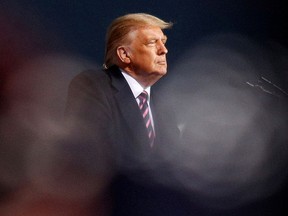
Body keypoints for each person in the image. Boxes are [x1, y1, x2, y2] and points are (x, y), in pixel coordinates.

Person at [65, 13, 190, 216]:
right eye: (152, 43)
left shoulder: (161, 103)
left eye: (163, 43)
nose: (163, 50)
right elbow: (89, 161)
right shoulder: (94, 87)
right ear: (124, 54)